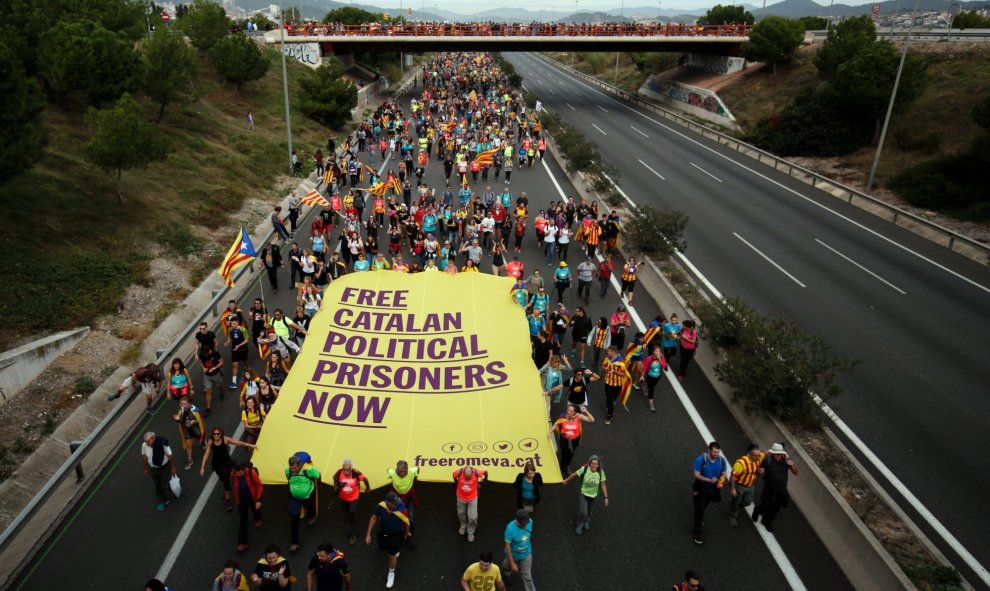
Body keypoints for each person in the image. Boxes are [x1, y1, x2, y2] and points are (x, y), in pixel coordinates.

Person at [200, 427, 255, 511]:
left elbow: (238, 443)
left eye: (218, 434)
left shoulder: (225, 439)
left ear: (221, 434)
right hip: (216, 465)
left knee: (226, 482)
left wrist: (251, 445)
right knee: (222, 479)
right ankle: (226, 490)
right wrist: (202, 467)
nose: (216, 435)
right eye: (214, 434)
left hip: (226, 464)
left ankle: (227, 502)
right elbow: (206, 454)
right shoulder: (211, 442)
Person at [364, 491, 410, 590]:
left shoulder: (401, 506)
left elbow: (406, 521)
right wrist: (368, 534)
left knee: (391, 555)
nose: (396, 504)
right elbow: (374, 518)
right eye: (394, 503)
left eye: (397, 502)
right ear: (387, 502)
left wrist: (406, 532)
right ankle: (392, 552)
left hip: (395, 535)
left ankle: (391, 572)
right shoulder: (380, 506)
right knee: (385, 550)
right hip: (383, 533)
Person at [752, 443, 799, 533]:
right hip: (769, 488)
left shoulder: (786, 459)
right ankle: (757, 510)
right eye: (775, 454)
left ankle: (766, 521)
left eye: (779, 454)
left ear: (782, 453)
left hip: (782, 489)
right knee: (765, 506)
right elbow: (759, 472)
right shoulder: (767, 460)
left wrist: (792, 465)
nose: (777, 456)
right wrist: (760, 472)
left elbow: (796, 473)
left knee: (776, 508)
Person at [692, 441, 729, 545]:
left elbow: (724, 473)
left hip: (713, 489)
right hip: (701, 487)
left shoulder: (721, 461)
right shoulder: (700, 460)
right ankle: (698, 534)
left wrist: (721, 480)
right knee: (699, 509)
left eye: (718, 452)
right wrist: (709, 480)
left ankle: (699, 516)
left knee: (702, 507)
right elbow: (696, 474)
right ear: (709, 450)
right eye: (714, 452)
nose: (716, 454)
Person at [562, 455, 608, 535]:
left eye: (596, 464)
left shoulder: (601, 472)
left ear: (598, 465)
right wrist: (566, 480)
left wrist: (606, 497)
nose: (594, 465)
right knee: (584, 511)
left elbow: (603, 484)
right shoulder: (585, 469)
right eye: (592, 463)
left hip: (594, 496)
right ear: (589, 464)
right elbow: (574, 474)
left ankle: (586, 520)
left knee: (590, 511)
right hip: (584, 493)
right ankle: (579, 524)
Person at [286, 454, 321, 553]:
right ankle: (294, 543)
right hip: (295, 498)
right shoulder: (287, 470)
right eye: (291, 468)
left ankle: (311, 516)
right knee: (294, 518)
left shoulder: (309, 470)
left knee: (310, 508)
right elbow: (289, 479)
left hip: (309, 495)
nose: (292, 470)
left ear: (300, 465)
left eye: (294, 468)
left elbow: (318, 476)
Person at [333, 460, 370, 545]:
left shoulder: (356, 473)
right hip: (343, 498)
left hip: (354, 498)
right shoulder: (339, 473)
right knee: (345, 509)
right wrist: (336, 487)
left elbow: (365, 479)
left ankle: (352, 535)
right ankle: (348, 512)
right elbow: (335, 483)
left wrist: (368, 488)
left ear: (351, 468)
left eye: (348, 469)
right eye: (344, 469)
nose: (346, 471)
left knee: (352, 516)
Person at [729, 444, 766, 528]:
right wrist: (733, 488)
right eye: (756, 455)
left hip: (750, 486)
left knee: (747, 502)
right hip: (739, 486)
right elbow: (733, 477)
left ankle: (734, 504)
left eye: (759, 455)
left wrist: (759, 473)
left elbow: (767, 453)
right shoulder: (740, 463)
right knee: (737, 501)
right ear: (749, 454)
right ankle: (732, 515)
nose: (758, 457)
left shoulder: (758, 458)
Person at [553, 404, 595, 476]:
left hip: (574, 440)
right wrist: (550, 432)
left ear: (575, 412)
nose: (568, 412)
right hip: (564, 439)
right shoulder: (563, 416)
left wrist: (586, 411)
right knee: (564, 456)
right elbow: (556, 424)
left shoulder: (578, 416)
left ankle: (567, 466)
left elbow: (592, 420)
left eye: (571, 411)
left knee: (570, 454)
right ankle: (561, 470)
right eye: (568, 410)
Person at [385, 460, 420, 548]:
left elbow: (418, 468)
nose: (401, 473)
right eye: (399, 471)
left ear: (407, 469)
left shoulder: (412, 471)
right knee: (396, 517)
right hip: (397, 497)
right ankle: (397, 536)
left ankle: (409, 537)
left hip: (409, 497)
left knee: (410, 518)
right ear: (397, 469)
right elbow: (388, 470)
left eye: (403, 471)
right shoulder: (392, 473)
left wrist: (415, 478)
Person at [231, 461, 264, 552]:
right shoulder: (234, 474)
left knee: (256, 510)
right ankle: (243, 543)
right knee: (243, 521)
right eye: (237, 473)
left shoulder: (251, 473)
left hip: (252, 498)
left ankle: (257, 519)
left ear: (244, 470)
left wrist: (258, 500)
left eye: (240, 473)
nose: (238, 474)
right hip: (241, 501)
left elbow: (259, 485)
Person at [140, 431, 176, 512]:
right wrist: (145, 468)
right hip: (153, 468)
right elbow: (144, 456)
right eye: (145, 441)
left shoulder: (162, 444)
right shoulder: (144, 445)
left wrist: (173, 467)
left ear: (153, 438)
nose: (147, 443)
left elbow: (170, 455)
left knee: (165, 483)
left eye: (148, 441)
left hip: (164, 467)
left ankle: (173, 489)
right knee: (157, 485)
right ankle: (164, 501)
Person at [502, 509, 536, 591]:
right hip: (513, 555)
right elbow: (507, 546)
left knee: (527, 576)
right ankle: (506, 575)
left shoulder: (530, 522)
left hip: (526, 554)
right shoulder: (510, 528)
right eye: (522, 524)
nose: (525, 525)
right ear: (517, 520)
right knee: (506, 567)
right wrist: (512, 563)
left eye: (525, 523)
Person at [454, 466, 486, 542]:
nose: (467, 479)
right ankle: (463, 525)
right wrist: (457, 483)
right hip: (461, 497)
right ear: (464, 473)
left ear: (472, 472)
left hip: (473, 498)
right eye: (466, 477)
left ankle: (470, 531)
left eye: (469, 477)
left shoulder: (476, 472)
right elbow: (454, 475)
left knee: (473, 517)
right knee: (461, 513)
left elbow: (485, 472)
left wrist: (485, 479)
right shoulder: (458, 472)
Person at [173, 396, 205, 470]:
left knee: (199, 441)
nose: (182, 405)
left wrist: (194, 422)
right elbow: (183, 422)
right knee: (188, 446)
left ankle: (203, 441)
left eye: (184, 404)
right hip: (188, 431)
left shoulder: (195, 410)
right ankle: (190, 461)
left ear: (189, 403)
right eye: (182, 404)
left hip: (196, 430)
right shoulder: (181, 411)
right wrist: (177, 419)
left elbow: (200, 421)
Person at [641, 344, 668, 413]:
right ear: (653, 352)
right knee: (652, 388)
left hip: (657, 376)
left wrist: (660, 360)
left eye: (659, 351)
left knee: (651, 386)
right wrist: (642, 376)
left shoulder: (662, 358)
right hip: (649, 376)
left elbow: (665, 367)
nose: (658, 352)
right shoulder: (649, 359)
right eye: (656, 351)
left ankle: (645, 386)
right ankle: (651, 403)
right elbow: (644, 367)